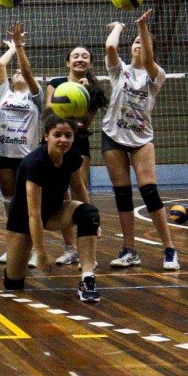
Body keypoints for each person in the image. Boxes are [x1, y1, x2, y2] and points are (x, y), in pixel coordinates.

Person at [102, 10, 179, 270]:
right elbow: (111, 45)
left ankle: (169, 249)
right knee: (122, 195)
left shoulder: (156, 75)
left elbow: (147, 59)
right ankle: (130, 249)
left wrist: (143, 28)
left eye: (141, 43)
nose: (137, 45)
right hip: (113, 135)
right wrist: (121, 26)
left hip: (141, 139)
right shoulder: (119, 71)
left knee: (149, 191)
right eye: (134, 42)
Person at [3, 115, 101, 302]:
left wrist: (94, 224)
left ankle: (88, 279)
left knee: (89, 214)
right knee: (13, 283)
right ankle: (16, 270)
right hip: (24, 218)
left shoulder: (72, 156)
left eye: (68, 135)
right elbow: (33, 213)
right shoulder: (35, 163)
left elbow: (78, 187)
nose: (63, 140)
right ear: (46, 136)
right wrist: (41, 253)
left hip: (55, 211)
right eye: (57, 135)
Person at [45, 41, 108, 266]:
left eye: (85, 56)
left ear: (90, 63)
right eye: (75, 56)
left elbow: (87, 120)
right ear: (68, 61)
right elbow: (47, 112)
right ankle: (70, 248)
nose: (80, 59)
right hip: (57, 142)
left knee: (80, 188)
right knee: (63, 194)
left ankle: (87, 250)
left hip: (78, 141)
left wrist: (84, 93)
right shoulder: (56, 83)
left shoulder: (94, 88)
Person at [0, 25, 43, 265]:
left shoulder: (35, 96)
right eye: (17, 74)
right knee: (9, 204)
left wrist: (20, 48)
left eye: (22, 73)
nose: (19, 74)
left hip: (27, 157)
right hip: (3, 155)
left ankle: (31, 250)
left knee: (29, 206)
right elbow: (1, 66)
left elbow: (28, 72)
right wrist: (12, 48)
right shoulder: (4, 94)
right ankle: (13, 246)